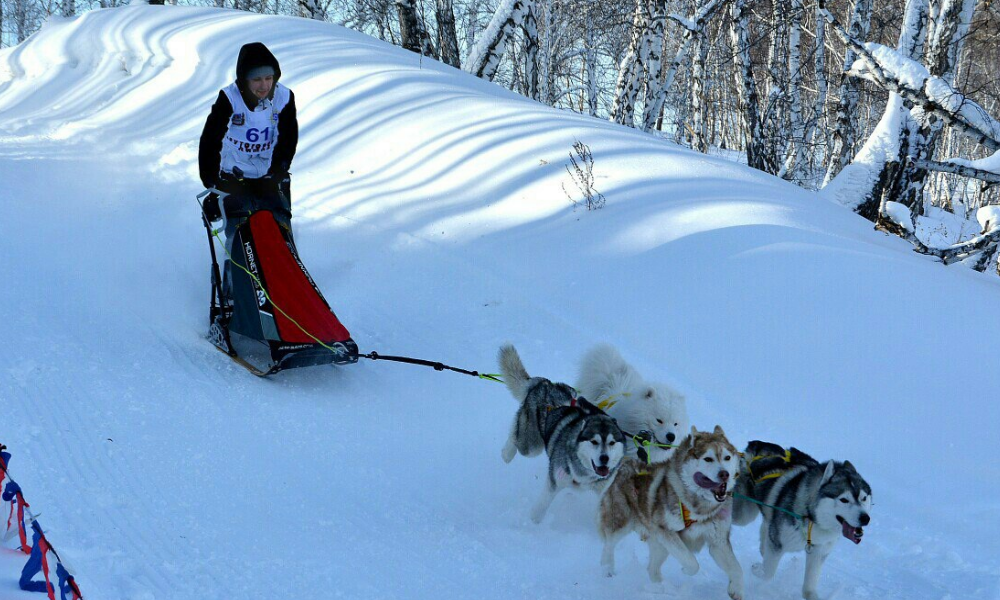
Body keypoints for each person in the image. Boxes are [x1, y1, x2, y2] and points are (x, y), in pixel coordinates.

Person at [199, 42, 298, 233]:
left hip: (270, 173)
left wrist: (277, 172)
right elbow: (211, 139)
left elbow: (288, 138)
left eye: (269, 78)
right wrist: (212, 182)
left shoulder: (284, 97)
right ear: (245, 80)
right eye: (257, 80)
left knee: (277, 228)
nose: (264, 86)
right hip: (235, 175)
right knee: (240, 231)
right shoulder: (230, 98)